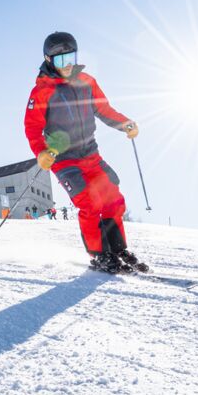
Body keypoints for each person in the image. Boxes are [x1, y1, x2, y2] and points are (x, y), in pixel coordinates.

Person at [24, 31, 147, 273]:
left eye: (71, 57)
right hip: (64, 160)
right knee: (90, 204)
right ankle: (100, 254)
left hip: (91, 154)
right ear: (48, 60)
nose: (67, 65)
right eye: (60, 61)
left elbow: (104, 109)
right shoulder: (41, 92)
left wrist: (125, 123)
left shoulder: (87, 82)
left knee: (113, 199)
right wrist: (42, 153)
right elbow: (32, 128)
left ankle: (117, 248)